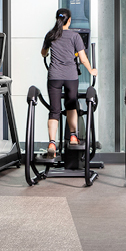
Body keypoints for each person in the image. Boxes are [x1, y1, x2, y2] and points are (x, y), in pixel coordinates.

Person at [40, 8, 97, 159]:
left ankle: (52, 143)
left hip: (54, 77)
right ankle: (73, 136)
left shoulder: (50, 35)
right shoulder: (75, 36)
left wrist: (48, 52)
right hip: (71, 76)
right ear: (69, 20)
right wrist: (91, 71)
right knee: (71, 105)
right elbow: (83, 59)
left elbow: (43, 53)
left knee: (54, 110)